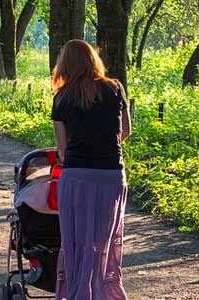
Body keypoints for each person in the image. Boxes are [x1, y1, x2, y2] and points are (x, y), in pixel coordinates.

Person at [50, 39, 132, 300]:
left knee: (78, 243)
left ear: (64, 64)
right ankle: (103, 292)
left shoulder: (62, 97)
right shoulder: (115, 88)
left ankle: (79, 294)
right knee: (103, 241)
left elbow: (62, 150)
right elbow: (125, 131)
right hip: (111, 174)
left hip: (77, 177)